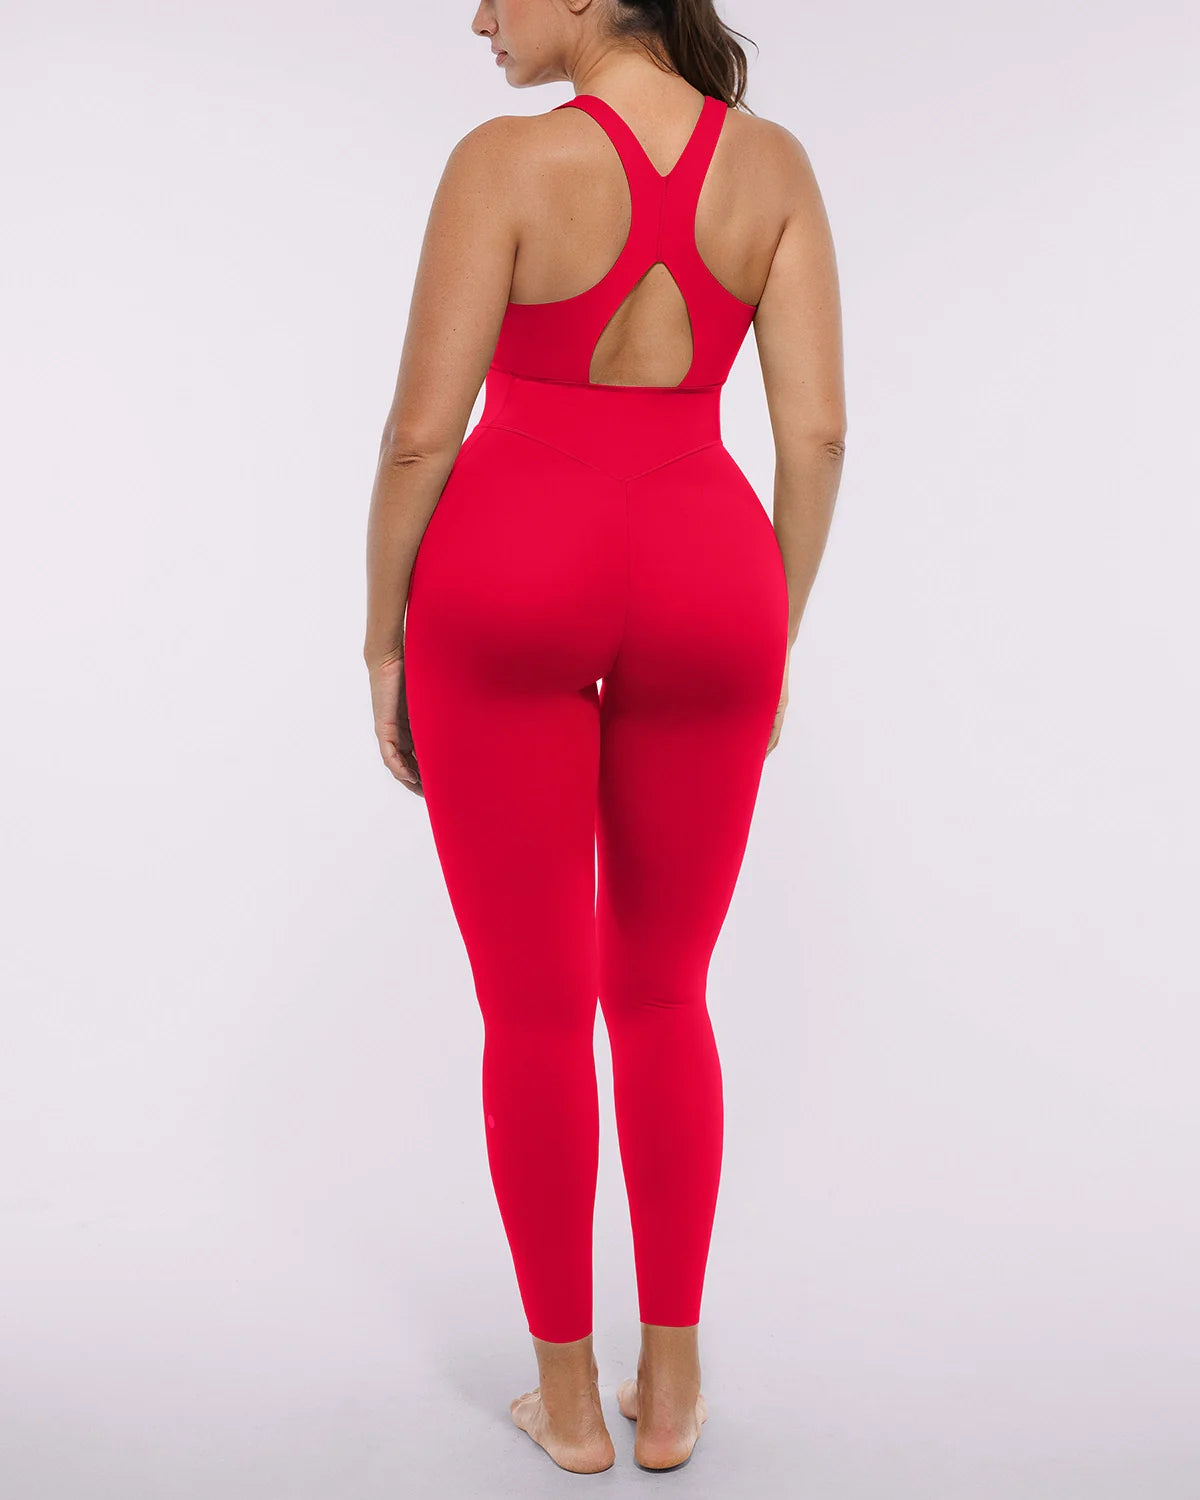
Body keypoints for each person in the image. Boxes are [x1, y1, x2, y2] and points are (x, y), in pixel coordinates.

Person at [362, 0, 845, 1476]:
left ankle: (568, 1403)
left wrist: (382, 639)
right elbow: (817, 437)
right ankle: (674, 1388)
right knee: (663, 994)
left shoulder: (505, 164)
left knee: (535, 1011)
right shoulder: (774, 167)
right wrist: (771, 631)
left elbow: (419, 435)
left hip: (511, 566)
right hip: (709, 573)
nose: (478, 15)